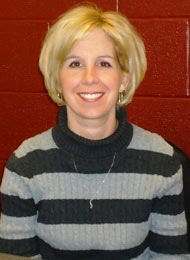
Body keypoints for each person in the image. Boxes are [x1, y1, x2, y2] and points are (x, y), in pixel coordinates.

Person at [0, 4, 189, 260]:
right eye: (75, 63)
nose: (90, 78)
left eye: (104, 63)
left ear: (123, 78)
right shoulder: (25, 166)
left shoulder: (162, 162)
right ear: (58, 78)